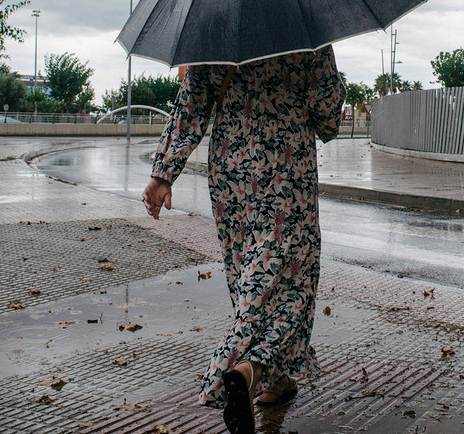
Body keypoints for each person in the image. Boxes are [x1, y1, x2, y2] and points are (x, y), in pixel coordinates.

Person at [142, 46, 345, 434]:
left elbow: (192, 104)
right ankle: (241, 367)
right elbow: (327, 115)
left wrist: (164, 173)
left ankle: (273, 380)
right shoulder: (303, 24)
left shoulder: (217, 28)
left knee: (248, 275)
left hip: (231, 168)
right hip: (287, 165)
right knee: (291, 284)